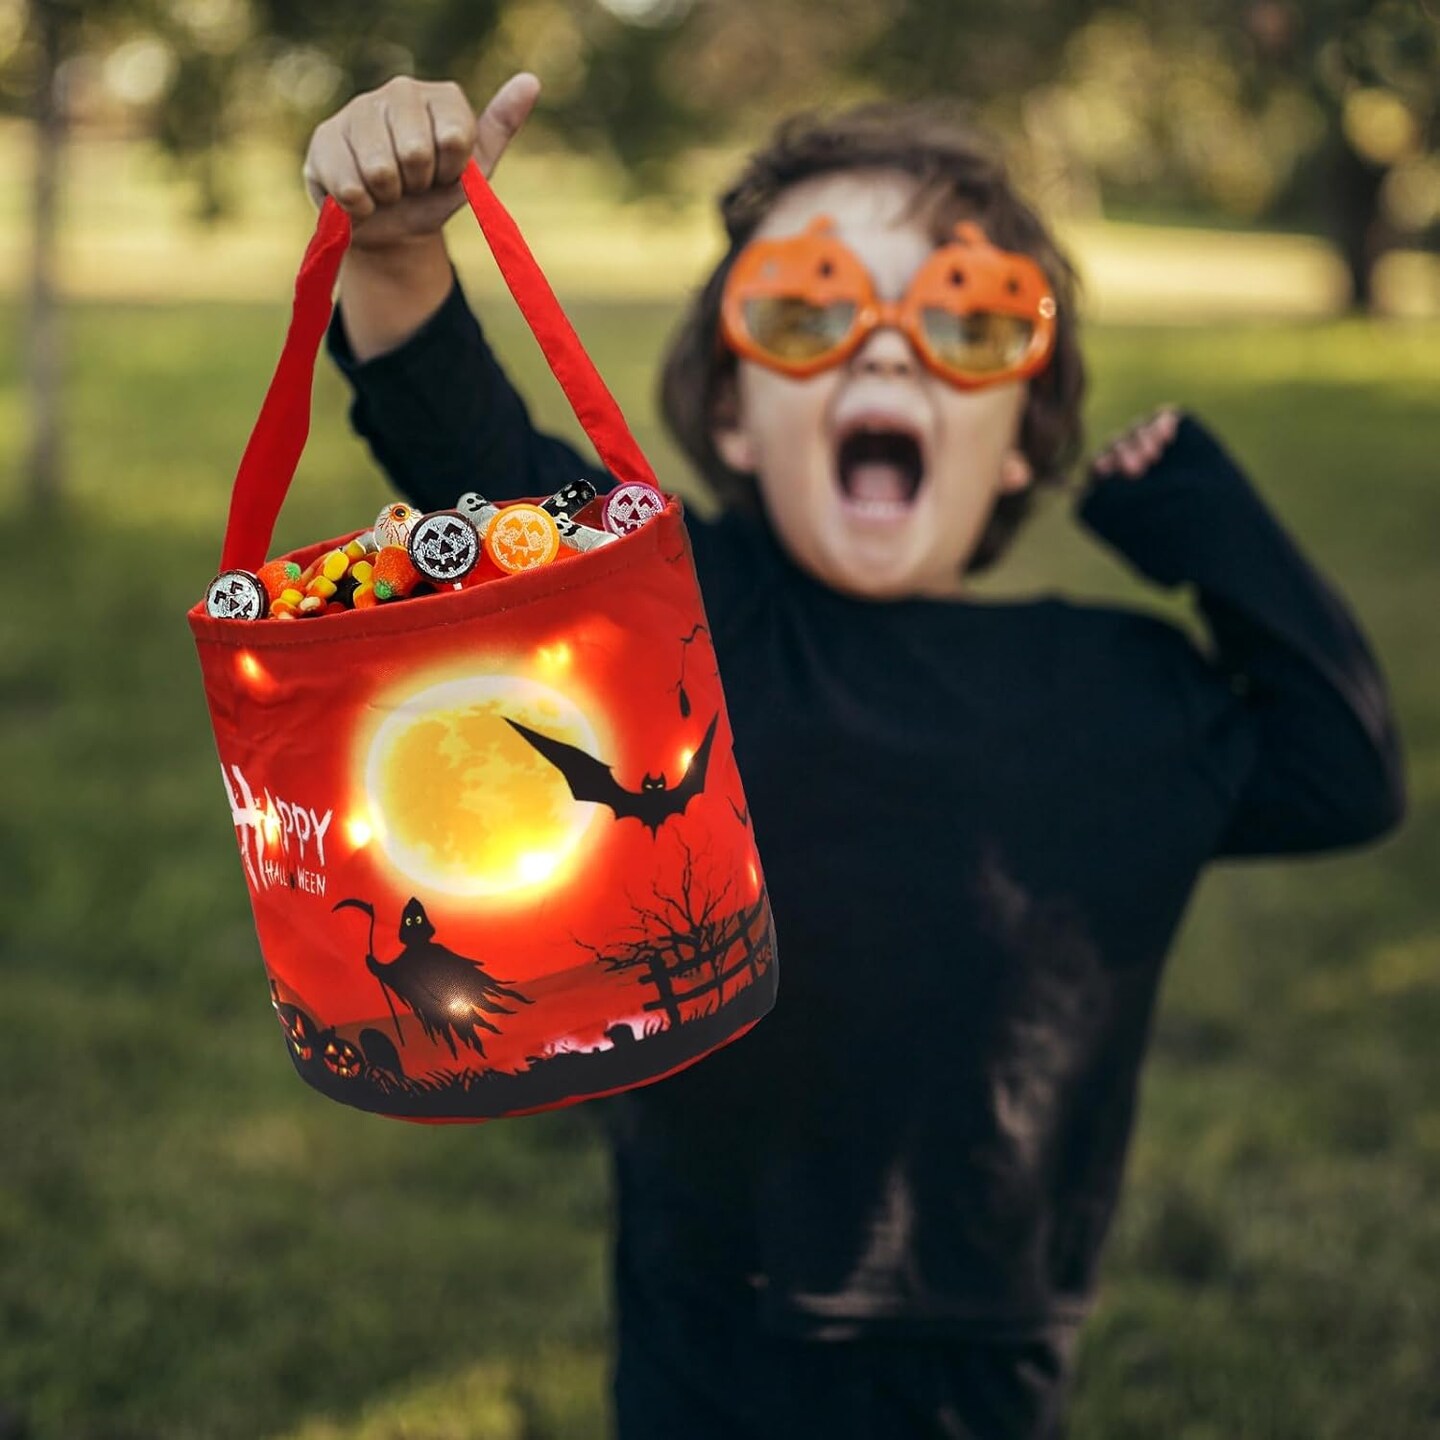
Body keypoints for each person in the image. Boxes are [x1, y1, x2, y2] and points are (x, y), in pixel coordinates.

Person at [302, 73, 1406, 1439]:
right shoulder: (682, 615)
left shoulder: (1119, 692)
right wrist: (397, 253)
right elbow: (470, 453)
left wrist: (1194, 509)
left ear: (1022, 442)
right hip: (708, 1325)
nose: (886, 354)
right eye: (809, 311)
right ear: (731, 419)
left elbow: (1341, 765)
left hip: (985, 1351)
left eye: (966, 319)